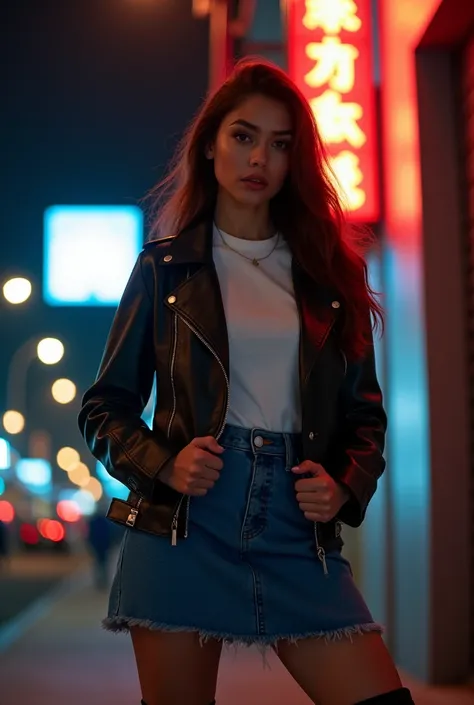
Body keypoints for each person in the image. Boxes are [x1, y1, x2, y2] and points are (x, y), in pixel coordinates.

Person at [78, 59, 415, 705]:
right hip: (184, 525)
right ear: (210, 145)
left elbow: (364, 414)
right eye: (243, 135)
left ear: (296, 161)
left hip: (296, 529)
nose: (260, 156)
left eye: (280, 143)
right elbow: (106, 405)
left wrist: (345, 481)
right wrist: (164, 463)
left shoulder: (328, 277)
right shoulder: (164, 271)